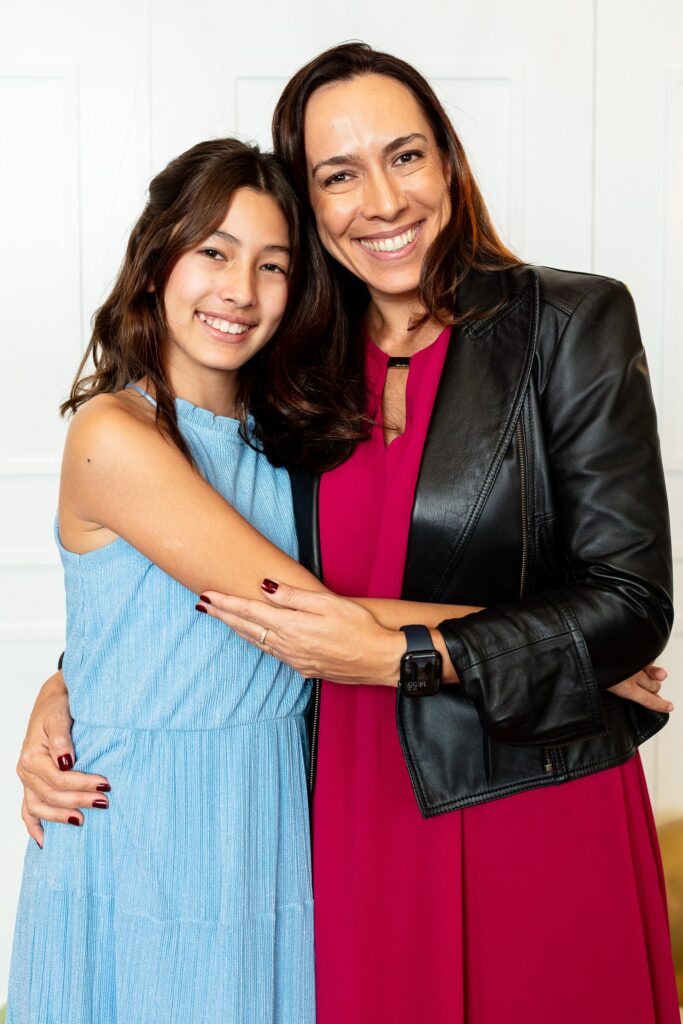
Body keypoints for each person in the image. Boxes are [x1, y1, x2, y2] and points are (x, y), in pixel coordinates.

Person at [15, 43, 678, 1024]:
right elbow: (236, 581)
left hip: (529, 786)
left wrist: (567, 640)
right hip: (347, 804)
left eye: (404, 156)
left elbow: (626, 601)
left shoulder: (566, 323)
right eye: (336, 173)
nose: (380, 199)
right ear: (309, 204)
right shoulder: (294, 374)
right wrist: (69, 681)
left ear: (447, 162)